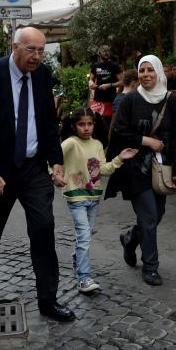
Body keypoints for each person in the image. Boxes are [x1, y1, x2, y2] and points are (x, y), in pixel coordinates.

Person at [0, 27, 75, 322]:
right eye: (31, 50)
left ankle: (48, 300)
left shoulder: (41, 75)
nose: (37, 57)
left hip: (33, 168)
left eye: (41, 50)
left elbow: (49, 121)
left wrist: (56, 160)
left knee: (44, 226)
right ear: (15, 47)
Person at [106, 55, 176, 286]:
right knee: (149, 217)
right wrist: (146, 141)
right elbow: (119, 132)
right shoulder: (130, 100)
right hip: (135, 167)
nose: (146, 74)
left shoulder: (171, 101)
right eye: (142, 70)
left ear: (159, 72)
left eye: (151, 70)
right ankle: (151, 267)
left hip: (162, 168)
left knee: (156, 215)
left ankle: (130, 239)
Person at [60, 107, 137, 294]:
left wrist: (119, 158)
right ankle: (84, 278)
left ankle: (78, 261)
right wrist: (54, 175)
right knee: (84, 237)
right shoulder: (70, 143)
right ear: (74, 126)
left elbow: (103, 170)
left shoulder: (97, 145)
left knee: (85, 236)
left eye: (89, 124)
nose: (86, 128)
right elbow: (53, 159)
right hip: (76, 197)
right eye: (81, 124)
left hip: (94, 198)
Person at [89, 44, 121, 125]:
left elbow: (123, 82)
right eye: (104, 51)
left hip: (110, 101)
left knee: (109, 125)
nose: (106, 53)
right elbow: (91, 79)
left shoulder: (115, 66)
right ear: (99, 53)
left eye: (107, 51)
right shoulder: (95, 65)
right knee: (97, 125)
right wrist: (91, 83)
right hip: (97, 100)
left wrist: (110, 85)